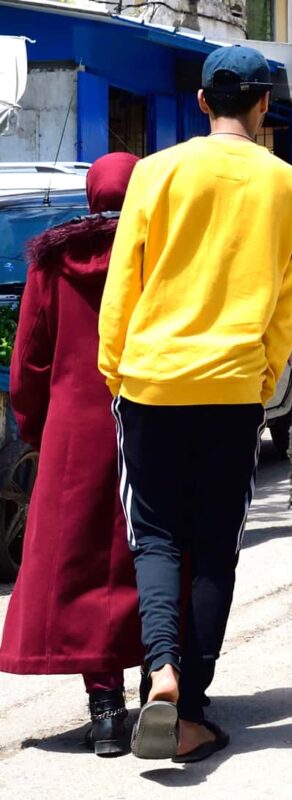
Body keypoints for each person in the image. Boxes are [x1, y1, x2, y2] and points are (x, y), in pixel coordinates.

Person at [98, 44, 292, 762]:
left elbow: (123, 279)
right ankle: (189, 709)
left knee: (154, 535)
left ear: (200, 104)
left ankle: (158, 671)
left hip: (152, 379)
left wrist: (114, 370)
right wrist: (259, 383)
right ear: (261, 107)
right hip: (230, 388)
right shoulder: (286, 189)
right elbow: (286, 306)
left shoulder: (156, 172)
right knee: (215, 544)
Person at [0, 153, 144, 756]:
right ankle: (166, 686)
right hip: (147, 416)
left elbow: (30, 356)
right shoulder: (156, 253)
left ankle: (106, 708)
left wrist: (35, 427)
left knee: (82, 561)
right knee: (154, 552)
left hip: (72, 430)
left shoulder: (52, 262)